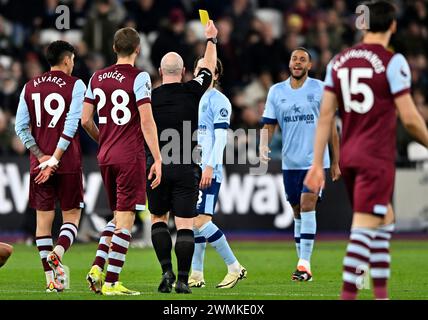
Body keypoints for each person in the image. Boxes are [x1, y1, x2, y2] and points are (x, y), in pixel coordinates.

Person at [304, 0, 428, 300]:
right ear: (393, 25)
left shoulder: (337, 61)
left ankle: (381, 295)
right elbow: (410, 119)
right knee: (362, 229)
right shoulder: (392, 61)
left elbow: (325, 117)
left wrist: (318, 164)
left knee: (384, 219)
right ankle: (348, 295)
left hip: (349, 156)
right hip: (376, 157)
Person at [82, 27, 162, 296]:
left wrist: (104, 140)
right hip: (129, 155)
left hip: (105, 155)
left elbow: (85, 120)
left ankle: (96, 268)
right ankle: (112, 281)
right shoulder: (139, 78)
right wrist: (158, 157)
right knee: (126, 220)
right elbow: (147, 120)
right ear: (138, 49)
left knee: (118, 216)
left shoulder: (96, 77)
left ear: (114, 48)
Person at [147, 20, 217, 294]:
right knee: (185, 225)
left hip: (158, 166)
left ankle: (166, 272)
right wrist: (211, 40)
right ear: (185, 71)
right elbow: (209, 69)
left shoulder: (149, 98)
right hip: (187, 165)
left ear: (160, 72)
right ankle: (183, 280)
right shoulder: (192, 90)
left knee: (158, 219)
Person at [259, 47, 341, 282]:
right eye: (294, 58)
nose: (297, 62)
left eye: (302, 59)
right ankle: (302, 267)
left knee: (307, 205)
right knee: (297, 211)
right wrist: (263, 145)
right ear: (289, 64)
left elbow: (332, 127)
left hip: (315, 162)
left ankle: (304, 264)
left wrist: (335, 160)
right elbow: (269, 124)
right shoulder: (276, 91)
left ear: (309, 66)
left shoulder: (321, 89)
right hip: (290, 163)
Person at [15, 40, 86, 292]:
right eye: (73, 59)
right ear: (67, 60)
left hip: (39, 165)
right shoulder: (76, 84)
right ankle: (58, 251)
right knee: (72, 217)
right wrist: (55, 158)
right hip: (66, 162)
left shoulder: (29, 86)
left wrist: (41, 156)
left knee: (42, 224)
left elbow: (20, 127)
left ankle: (51, 282)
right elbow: (71, 124)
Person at [188, 57, 247, 289]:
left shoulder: (219, 100)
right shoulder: (192, 97)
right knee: (194, 222)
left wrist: (210, 166)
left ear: (216, 75)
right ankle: (196, 274)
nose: (203, 71)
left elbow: (221, 136)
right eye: (200, 67)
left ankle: (234, 267)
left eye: (208, 68)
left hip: (207, 169)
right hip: (192, 167)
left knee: (200, 220)